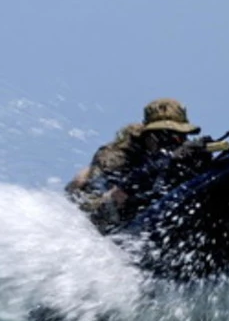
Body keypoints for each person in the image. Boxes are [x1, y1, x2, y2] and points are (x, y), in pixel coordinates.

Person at [67, 98, 216, 234]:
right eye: (163, 135)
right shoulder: (117, 158)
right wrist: (165, 161)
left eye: (180, 135)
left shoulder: (180, 155)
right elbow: (101, 206)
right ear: (147, 135)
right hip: (102, 222)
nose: (173, 142)